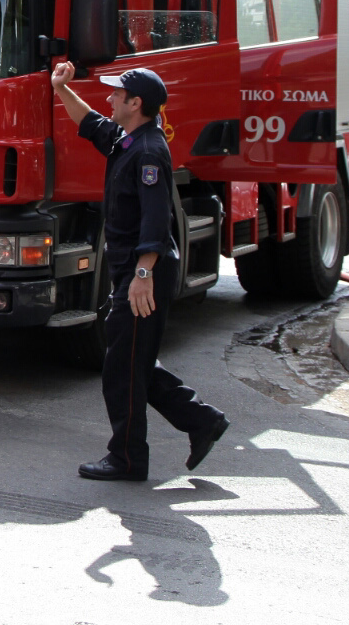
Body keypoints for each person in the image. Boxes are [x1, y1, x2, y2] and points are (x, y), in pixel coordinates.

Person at [50, 60, 230, 481]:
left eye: (117, 94)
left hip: (142, 274)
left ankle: (128, 458)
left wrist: (142, 276)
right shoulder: (127, 139)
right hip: (133, 272)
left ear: (136, 103)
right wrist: (62, 89)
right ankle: (202, 421)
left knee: (122, 368)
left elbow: (155, 219)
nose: (108, 98)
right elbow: (90, 122)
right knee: (134, 363)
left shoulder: (148, 152)